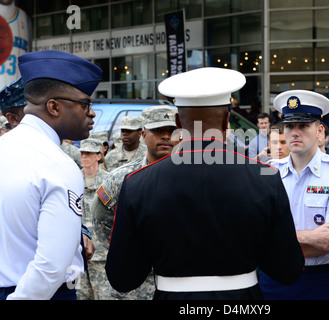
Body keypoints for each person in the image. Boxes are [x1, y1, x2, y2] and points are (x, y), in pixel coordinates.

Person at [105, 67, 305, 300]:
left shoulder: (138, 183)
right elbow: (288, 269)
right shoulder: (265, 177)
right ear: (227, 120)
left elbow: (122, 277)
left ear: (178, 121)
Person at [0, 50, 102, 300]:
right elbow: (52, 267)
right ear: (54, 107)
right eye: (85, 104)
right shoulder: (57, 164)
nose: (92, 113)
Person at [259, 90, 329, 300]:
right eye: (290, 126)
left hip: (320, 280)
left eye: (303, 125)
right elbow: (255, 236)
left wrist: (275, 243)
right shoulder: (269, 170)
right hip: (273, 280)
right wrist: (310, 237)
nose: (295, 132)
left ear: (320, 131)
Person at [92, 105, 180, 300]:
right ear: (143, 134)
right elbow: (101, 221)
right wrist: (131, 252)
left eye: (172, 131)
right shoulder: (121, 177)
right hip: (135, 285)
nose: (166, 137)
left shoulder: (192, 177)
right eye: (158, 131)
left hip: (179, 280)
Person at [76, 138, 108, 300]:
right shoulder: (72, 178)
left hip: (102, 252)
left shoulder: (109, 180)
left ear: (98, 156)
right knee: (81, 295)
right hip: (77, 251)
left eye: (89, 153)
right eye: (82, 153)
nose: (84, 157)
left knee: (104, 295)